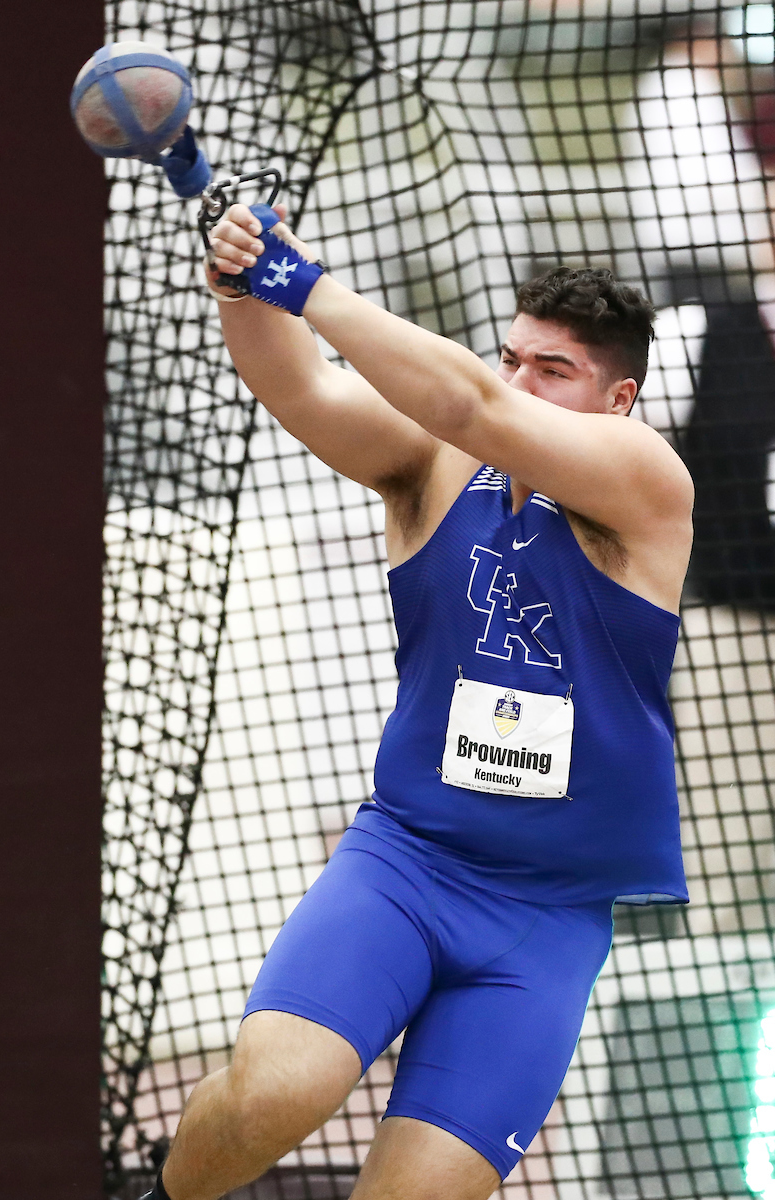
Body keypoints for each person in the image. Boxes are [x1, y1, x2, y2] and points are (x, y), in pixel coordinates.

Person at [145, 202, 693, 1200]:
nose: (516, 382)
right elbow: (302, 384)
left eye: (551, 371)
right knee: (271, 1096)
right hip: (406, 861)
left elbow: (472, 405)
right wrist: (243, 290)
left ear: (618, 400)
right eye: (510, 357)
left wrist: (304, 285)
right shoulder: (438, 466)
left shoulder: (642, 480)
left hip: (545, 917)